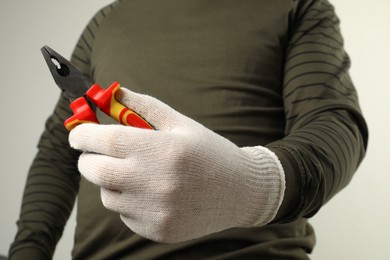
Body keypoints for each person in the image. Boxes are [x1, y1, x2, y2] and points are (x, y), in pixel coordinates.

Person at [9, 0, 368, 259]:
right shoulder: (107, 20)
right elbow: (58, 151)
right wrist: (29, 250)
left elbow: (335, 124)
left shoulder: (299, 7)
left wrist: (255, 184)